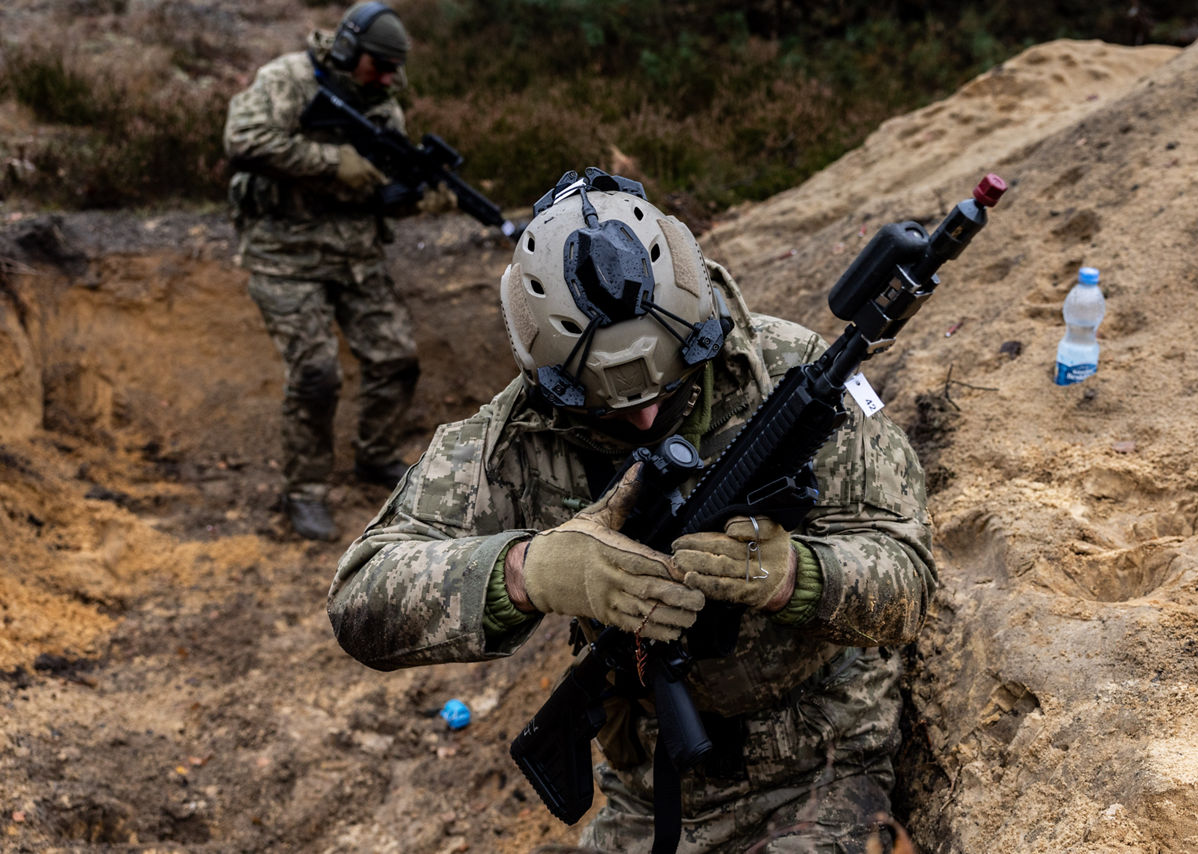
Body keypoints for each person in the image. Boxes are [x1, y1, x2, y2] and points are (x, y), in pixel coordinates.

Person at [327, 169, 937, 852]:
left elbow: (908, 584)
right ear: (544, 374)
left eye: (669, 386)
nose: (647, 414)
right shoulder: (517, 437)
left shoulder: (788, 373)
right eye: (606, 405)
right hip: (654, 781)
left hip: (822, 759)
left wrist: (794, 575)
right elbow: (359, 601)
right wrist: (530, 571)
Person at [224, 2, 437, 540]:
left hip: (356, 258)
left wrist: (405, 192)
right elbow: (242, 141)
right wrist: (330, 162)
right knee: (317, 375)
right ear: (348, 50)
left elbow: (378, 192)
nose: (390, 77)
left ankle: (375, 455)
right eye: (380, 65)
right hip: (284, 257)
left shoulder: (383, 105)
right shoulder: (286, 79)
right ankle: (305, 491)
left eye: (394, 67)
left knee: (397, 360)